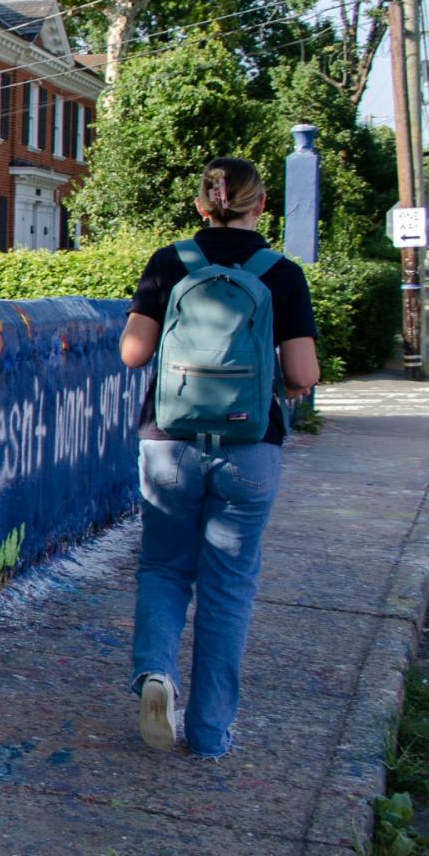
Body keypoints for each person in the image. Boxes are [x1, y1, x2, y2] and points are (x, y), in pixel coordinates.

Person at [117, 157, 321, 758]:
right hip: (249, 450)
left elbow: (134, 353)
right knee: (229, 586)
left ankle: (156, 673)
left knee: (163, 568)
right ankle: (208, 733)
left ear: (204, 206)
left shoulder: (170, 261)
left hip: (170, 444)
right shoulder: (280, 273)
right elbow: (302, 373)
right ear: (261, 206)